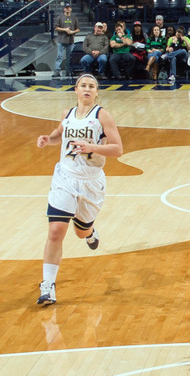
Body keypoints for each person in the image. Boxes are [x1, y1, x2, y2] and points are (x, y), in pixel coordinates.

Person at [35, 74, 124, 305]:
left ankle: (90, 232)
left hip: (91, 182)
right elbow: (59, 135)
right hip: (65, 177)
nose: (87, 89)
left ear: (96, 91)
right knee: (56, 231)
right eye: (83, 85)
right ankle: (48, 285)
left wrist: (91, 147)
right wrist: (48, 139)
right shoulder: (67, 114)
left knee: (81, 232)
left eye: (91, 86)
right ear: (76, 89)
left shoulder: (102, 116)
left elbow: (117, 149)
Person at [53, 3, 80, 78]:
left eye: (69, 8)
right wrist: (65, 29)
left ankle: (68, 71)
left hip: (70, 40)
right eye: (66, 8)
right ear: (64, 9)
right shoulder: (59, 17)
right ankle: (57, 70)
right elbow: (56, 28)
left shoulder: (74, 18)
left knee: (69, 57)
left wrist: (72, 32)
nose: (67, 9)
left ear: (71, 9)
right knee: (59, 56)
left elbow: (78, 29)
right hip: (61, 40)